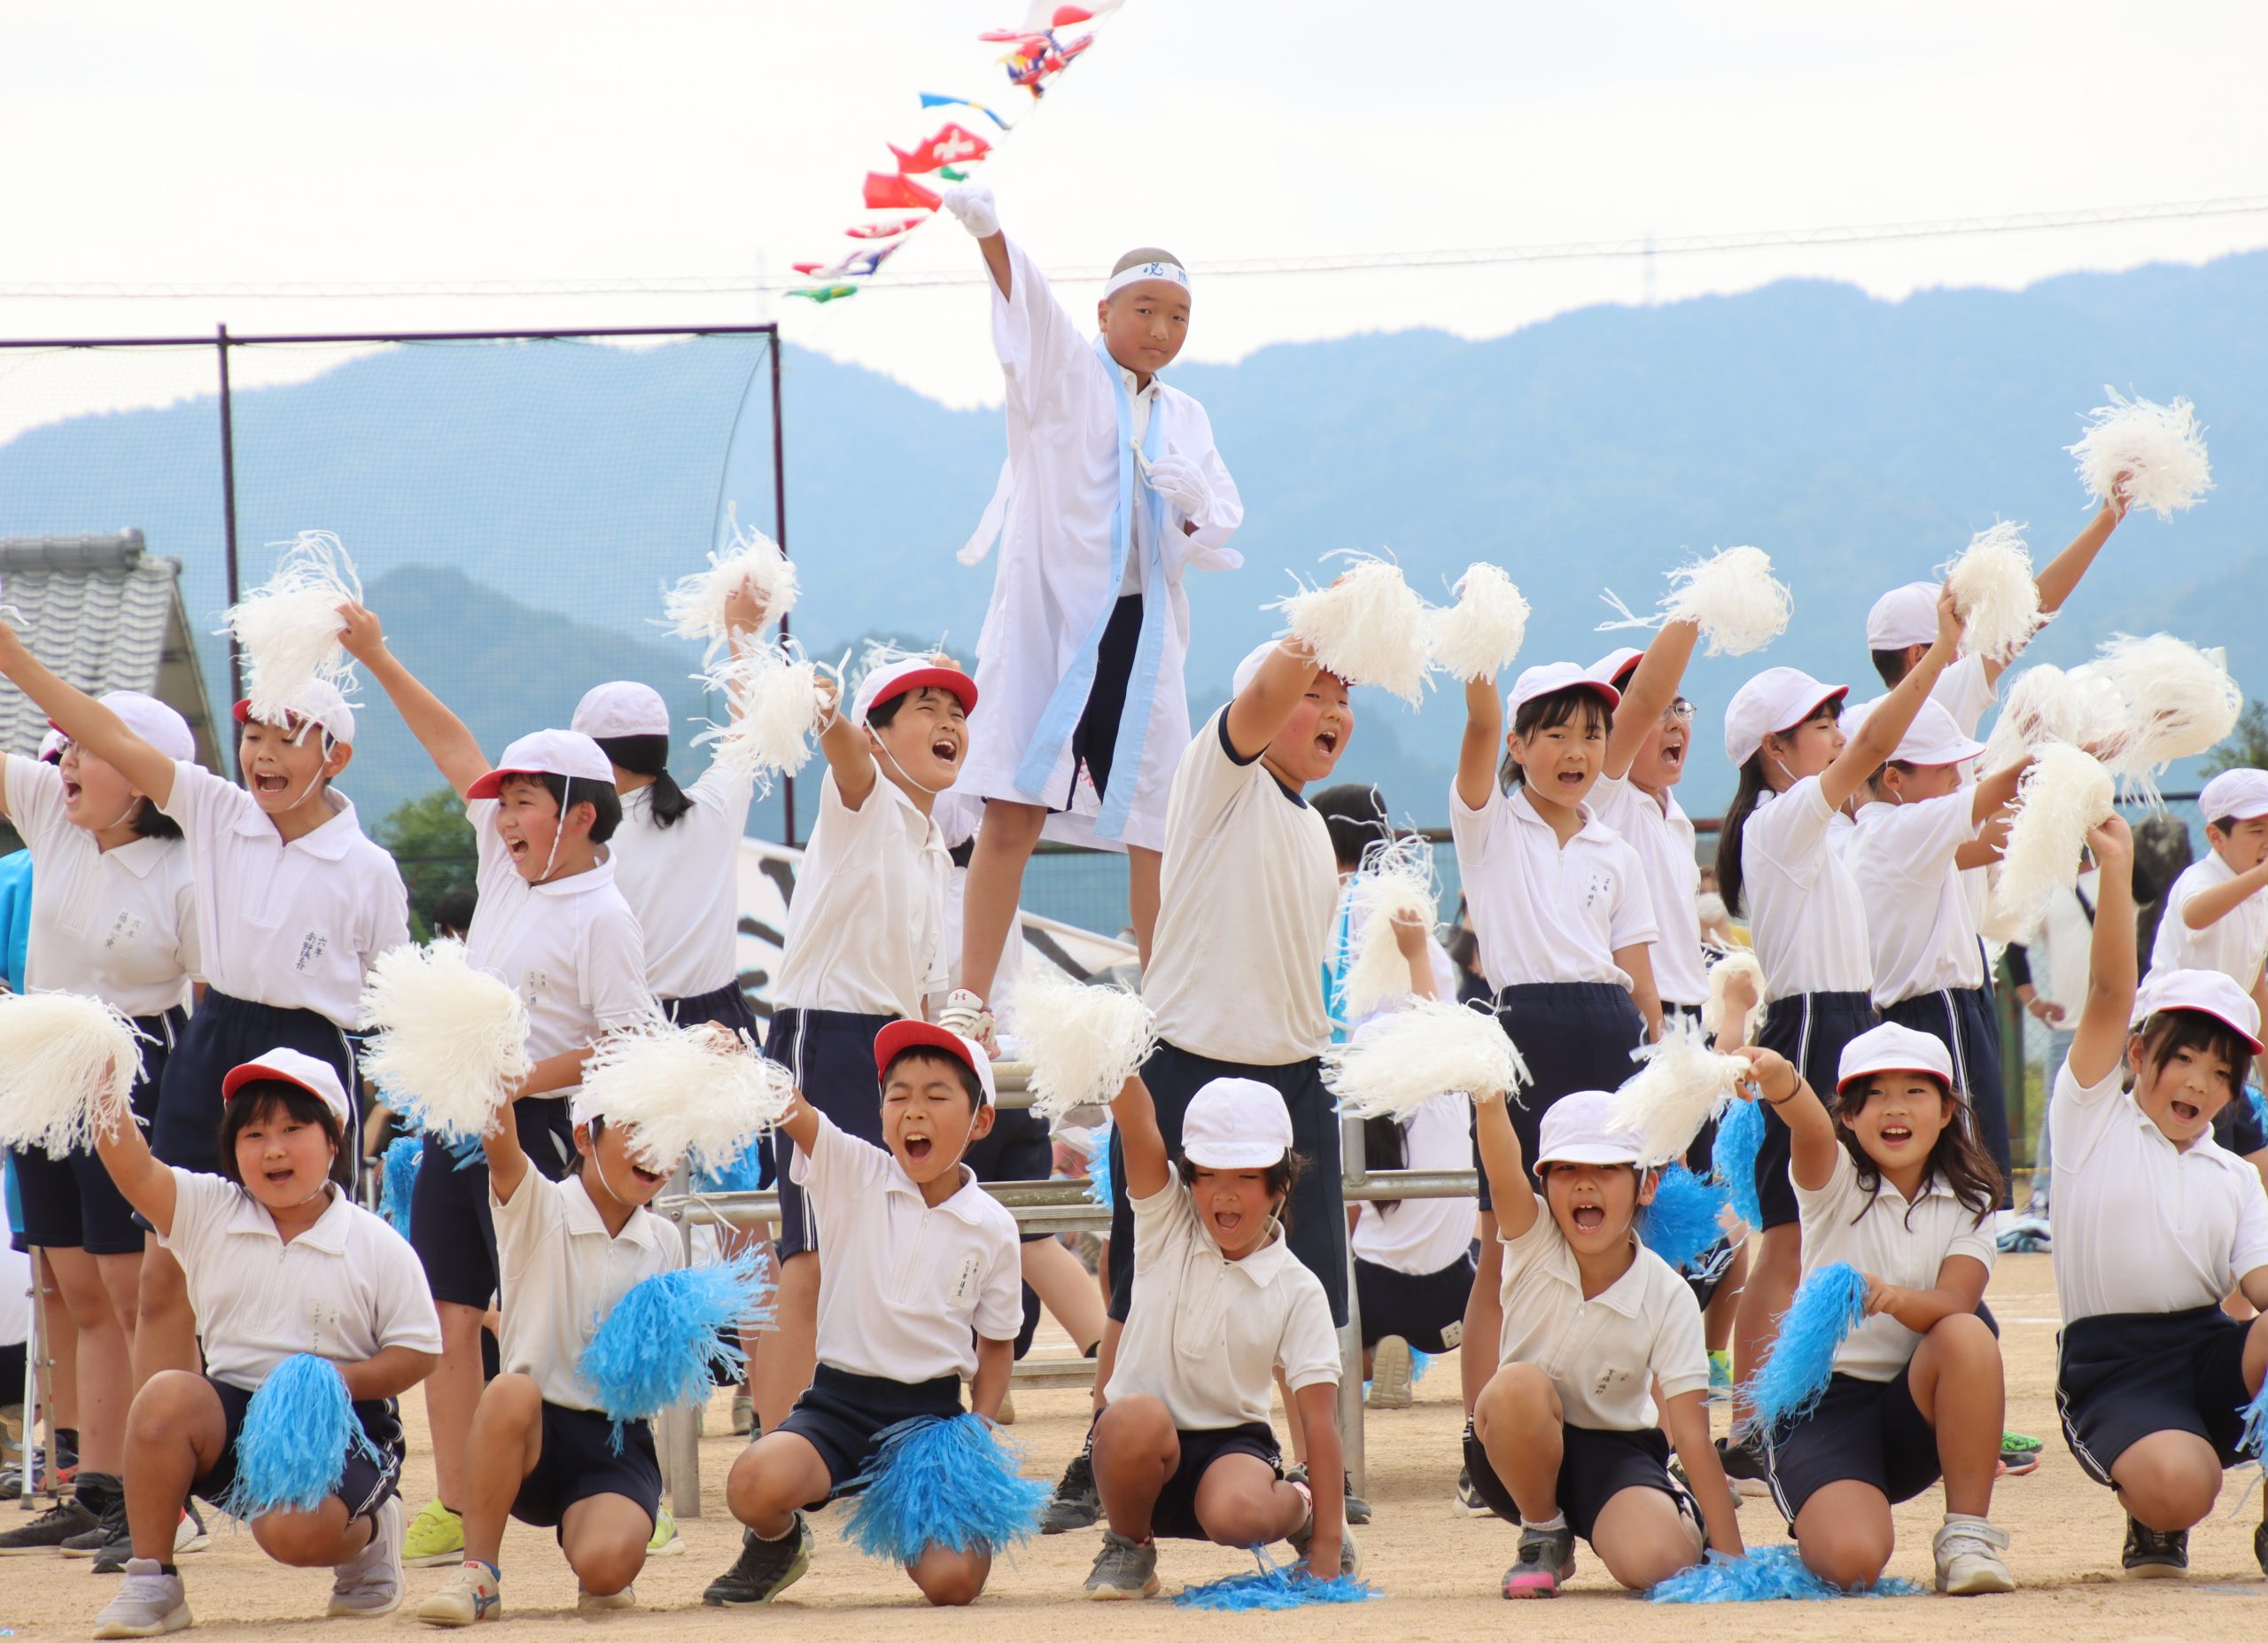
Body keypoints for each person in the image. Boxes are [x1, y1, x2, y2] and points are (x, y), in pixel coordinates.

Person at [0, 623, 409, 1423]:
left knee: (313, 1263)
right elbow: (105, 735)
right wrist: (15, 659)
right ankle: (164, 1461)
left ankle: (333, 1438)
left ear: (336, 758)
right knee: (164, 1270)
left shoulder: (370, 868)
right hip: (212, 1038)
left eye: (287, 738)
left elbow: (391, 1003)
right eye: (252, 734)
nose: (262, 753)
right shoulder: (216, 809)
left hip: (313, 1055)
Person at [339, 603, 652, 1570]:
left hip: (547, 1132)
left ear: (579, 815)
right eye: (501, 802)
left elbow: (628, 1043)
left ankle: (607, 1483)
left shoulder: (604, 913)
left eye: (521, 802)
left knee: (537, 1317)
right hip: (457, 1116)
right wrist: (378, 655)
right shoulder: (508, 871)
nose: (501, 816)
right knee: (449, 1308)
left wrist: (520, 1081)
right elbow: (450, 744)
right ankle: (457, 1495)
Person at [1040, 637, 1353, 1533]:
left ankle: (1313, 1477)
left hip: (1294, 1076)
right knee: (1141, 1282)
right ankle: (1096, 1450)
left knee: (1305, 1285)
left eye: (1343, 699)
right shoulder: (1219, 774)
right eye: (1315, 694)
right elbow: (1264, 688)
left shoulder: (1309, 825)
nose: (1331, 712)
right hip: (1188, 1061)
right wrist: (1326, 626)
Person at [935, 183, 1244, 1050]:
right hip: (1052, 622)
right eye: (1144, 309)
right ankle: (971, 998)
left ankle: (1169, 1002)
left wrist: (1190, 506)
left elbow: (1222, 520)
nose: (1159, 330)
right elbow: (1024, 305)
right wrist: (992, 233)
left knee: (1159, 822)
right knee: (1012, 804)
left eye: (1177, 316)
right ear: (1103, 312)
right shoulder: (1069, 375)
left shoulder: (1187, 415)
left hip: (1143, 633)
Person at [1712, 588, 1965, 1488]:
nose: (1836, 728)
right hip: (1814, 1024)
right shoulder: (1782, 822)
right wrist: (1935, 657)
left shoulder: (1810, 828)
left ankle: (1780, 1414)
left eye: (1829, 714)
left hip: (1842, 1020)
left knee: (1810, 1234)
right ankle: (1749, 1424)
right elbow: (1869, 748)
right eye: (1816, 721)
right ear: (1773, 753)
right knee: (1785, 1237)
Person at [84, 1049, 440, 1637]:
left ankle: (372, 1534)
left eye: (293, 1130)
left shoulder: (374, 1242)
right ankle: (152, 1581)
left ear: (333, 1141)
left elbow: (420, 1351)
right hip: (234, 1416)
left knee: (292, 1537)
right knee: (163, 1399)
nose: (273, 1148)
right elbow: (136, 1171)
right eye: (253, 1134)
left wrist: (330, 1379)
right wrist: (100, 1091)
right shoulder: (207, 1210)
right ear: (233, 1149)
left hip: (341, 1424)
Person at [703, 1024, 1021, 1608]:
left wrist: (979, 1425)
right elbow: (792, 1109)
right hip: (836, 1410)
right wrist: (746, 1061)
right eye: (897, 1096)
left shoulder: (995, 1225)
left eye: (935, 1095)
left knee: (954, 1585)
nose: (912, 1111)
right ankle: (779, 1542)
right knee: (750, 1484)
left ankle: (907, 1508)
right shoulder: (853, 1171)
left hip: (930, 1426)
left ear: (980, 1121)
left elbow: (996, 1344)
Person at [1449, 660, 1659, 1513]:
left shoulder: (1618, 847)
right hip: (1522, 1035)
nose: (1578, 750)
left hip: (1612, 1036)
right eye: (1557, 732)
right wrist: (1479, 687)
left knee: (1613, 1247)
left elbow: (1641, 977)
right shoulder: (1488, 825)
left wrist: (1662, 1079)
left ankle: (1619, 1433)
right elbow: (1472, 740)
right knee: (1508, 1245)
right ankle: (1483, 1444)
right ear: (1520, 744)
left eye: (1593, 733)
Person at [749, 652, 976, 1437]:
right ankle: (778, 1456)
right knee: (808, 1257)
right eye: (925, 708)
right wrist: (826, 711)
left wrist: (953, 1043)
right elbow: (843, 751)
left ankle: (851, 1435)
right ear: (881, 739)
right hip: (825, 1032)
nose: (950, 723)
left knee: (873, 1247)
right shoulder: (866, 795)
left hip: (888, 1047)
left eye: (957, 712)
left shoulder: (934, 847)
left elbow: (921, 988)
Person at [0, 697, 198, 1563]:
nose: (64, 765)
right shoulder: (53, 819)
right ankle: (98, 1488)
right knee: (78, 1292)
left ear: (146, 777)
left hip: (133, 1073)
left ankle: (167, 1498)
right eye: (65, 750)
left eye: (89, 751)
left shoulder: (188, 870)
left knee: (133, 1295)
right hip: (43, 1071)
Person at [2048, 814, 2268, 1579]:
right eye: (2183, 1059)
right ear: (2140, 1053)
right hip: (2113, 1368)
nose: (2201, 1083)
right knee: (2181, 1487)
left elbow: (2261, 1289)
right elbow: (2111, 992)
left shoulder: (2235, 1175)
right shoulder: (2090, 1122)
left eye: (2223, 1072)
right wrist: (2116, 868)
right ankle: (2153, 1518)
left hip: (2210, 1354)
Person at [1743, 1024, 2015, 1594]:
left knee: (1966, 1334)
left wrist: (1892, 1298)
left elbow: (1955, 1301)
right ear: (1848, 1115)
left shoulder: (1972, 1198)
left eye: (1916, 1091)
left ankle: (1966, 1537)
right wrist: (1782, 1080)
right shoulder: (1832, 1179)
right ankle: (1830, 1513)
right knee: (1851, 1563)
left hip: (1909, 1406)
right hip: (1821, 1409)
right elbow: (1809, 1129)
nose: (1896, 1109)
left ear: (1946, 1111)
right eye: (1875, 1094)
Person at [411, 1063, 687, 1625]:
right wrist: (484, 1045)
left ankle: (602, 1552)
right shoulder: (537, 1204)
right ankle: (479, 1573)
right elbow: (500, 1133)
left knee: (608, 1571)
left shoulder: (666, 1241)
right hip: (528, 1436)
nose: (655, 1150)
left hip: (615, 1442)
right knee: (511, 1390)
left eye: (669, 1133)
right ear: (585, 1136)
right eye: (636, 1129)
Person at [1081, 1072, 1349, 1598]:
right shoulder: (1165, 1222)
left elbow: (1320, 1422)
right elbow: (1139, 1128)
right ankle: (1129, 1545)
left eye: (1247, 1176)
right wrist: (1108, 1055)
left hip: (1233, 1449)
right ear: (1189, 1179)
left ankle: (1299, 1503)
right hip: (1138, 1447)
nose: (1224, 1193)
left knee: (1237, 1515)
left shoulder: (1299, 1289)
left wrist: (1329, 1545)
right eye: (1207, 1174)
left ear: (1281, 1183)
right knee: (1131, 1418)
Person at [1467, 1088, 1742, 1598]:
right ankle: (1544, 1534)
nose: (1585, 1182)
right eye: (1566, 1169)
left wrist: (1735, 1560)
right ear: (1544, 1186)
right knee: (1516, 1387)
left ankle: (1679, 1510)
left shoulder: (1668, 1294)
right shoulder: (1531, 1241)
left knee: (1659, 1564)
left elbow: (1693, 1435)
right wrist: (1487, 1097)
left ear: (1646, 1186)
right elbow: (1502, 1168)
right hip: (1513, 1448)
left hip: (1616, 1455)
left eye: (1609, 1169)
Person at [1589, 627, 1746, 1375]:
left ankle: (1695, 1359)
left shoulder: (1673, 816)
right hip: (1646, 1026)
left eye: (1682, 707)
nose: (1672, 719)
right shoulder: (1608, 797)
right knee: (1651, 1199)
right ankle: (1647, 1368)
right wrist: (1696, 612)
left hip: (1690, 1026)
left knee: (1711, 1207)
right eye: (1653, 708)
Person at [1845, 701, 2029, 1196]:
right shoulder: (1904, 831)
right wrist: (2080, 754)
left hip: (1908, 1013)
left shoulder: (1880, 835)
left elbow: (1993, 840)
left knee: (1930, 1178)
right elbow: (2005, 790)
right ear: (1894, 780)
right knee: (1967, 1177)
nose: (1957, 776)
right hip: (1940, 1012)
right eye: (1942, 766)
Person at [1861, 485, 2131, 730]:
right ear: (1919, 657)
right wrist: (2106, 518)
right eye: (1954, 640)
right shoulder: (1939, 697)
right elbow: (2031, 616)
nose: (1965, 652)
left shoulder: (1863, 724)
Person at [2147, 767, 2268, 1171]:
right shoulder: (2200, 878)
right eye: (2257, 829)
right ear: (2216, 836)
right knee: (2191, 1171)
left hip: (2226, 1056)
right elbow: (2196, 913)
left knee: (2253, 1172)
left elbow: (2256, 990)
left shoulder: (2258, 894)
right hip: (2176, 1051)